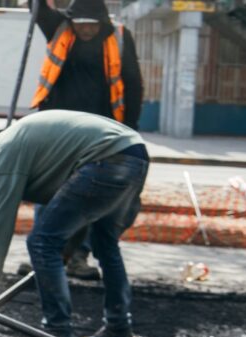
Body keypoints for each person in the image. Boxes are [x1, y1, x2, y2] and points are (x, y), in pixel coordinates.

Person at [0, 110, 149, 337]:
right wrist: (67, 250)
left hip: (105, 159)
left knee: (41, 242)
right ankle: (119, 327)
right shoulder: (26, 151)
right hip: (133, 154)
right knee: (105, 244)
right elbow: (78, 206)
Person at [29, 0, 144, 280]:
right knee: (51, 190)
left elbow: (133, 83)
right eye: (81, 25)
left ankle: (78, 256)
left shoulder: (118, 35)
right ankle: (47, 255)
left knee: (93, 196)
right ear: (72, 21)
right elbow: (37, 6)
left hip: (102, 135)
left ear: (102, 22)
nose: (86, 31)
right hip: (59, 132)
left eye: (92, 25)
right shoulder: (59, 27)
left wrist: (128, 127)